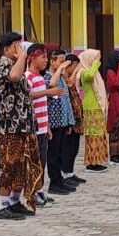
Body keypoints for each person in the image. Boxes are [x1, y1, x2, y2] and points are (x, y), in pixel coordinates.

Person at [0, 33, 37, 218]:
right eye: (16, 46)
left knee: (21, 164)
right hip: (10, 125)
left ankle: (14, 201)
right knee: (10, 164)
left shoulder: (15, 63)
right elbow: (14, 77)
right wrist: (22, 57)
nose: (20, 49)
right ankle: (2, 205)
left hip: (22, 123)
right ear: (6, 49)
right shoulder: (3, 64)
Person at [24, 45, 63, 205]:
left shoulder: (40, 77)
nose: (46, 60)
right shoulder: (28, 77)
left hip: (41, 126)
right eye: (43, 57)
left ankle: (40, 191)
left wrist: (46, 126)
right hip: (32, 127)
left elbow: (42, 105)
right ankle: (32, 193)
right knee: (34, 162)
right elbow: (27, 96)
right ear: (33, 58)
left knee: (41, 161)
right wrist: (48, 92)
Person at [47, 50, 78, 194]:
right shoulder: (49, 76)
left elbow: (66, 100)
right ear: (52, 61)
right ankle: (54, 182)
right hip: (54, 122)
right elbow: (51, 85)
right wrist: (60, 69)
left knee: (61, 152)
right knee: (53, 153)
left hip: (63, 121)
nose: (63, 65)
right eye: (60, 61)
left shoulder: (62, 78)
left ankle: (60, 180)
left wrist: (70, 121)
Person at [78, 49, 108, 172]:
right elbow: (90, 76)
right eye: (95, 58)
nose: (97, 61)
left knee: (99, 135)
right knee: (93, 136)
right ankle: (91, 163)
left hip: (97, 106)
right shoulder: (84, 72)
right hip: (91, 107)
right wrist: (95, 64)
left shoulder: (94, 73)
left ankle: (97, 161)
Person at [61, 55, 86, 187]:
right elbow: (69, 83)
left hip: (76, 119)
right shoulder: (63, 79)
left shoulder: (70, 79)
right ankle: (65, 174)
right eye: (76, 66)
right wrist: (75, 71)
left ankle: (70, 172)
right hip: (69, 120)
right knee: (68, 148)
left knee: (74, 147)